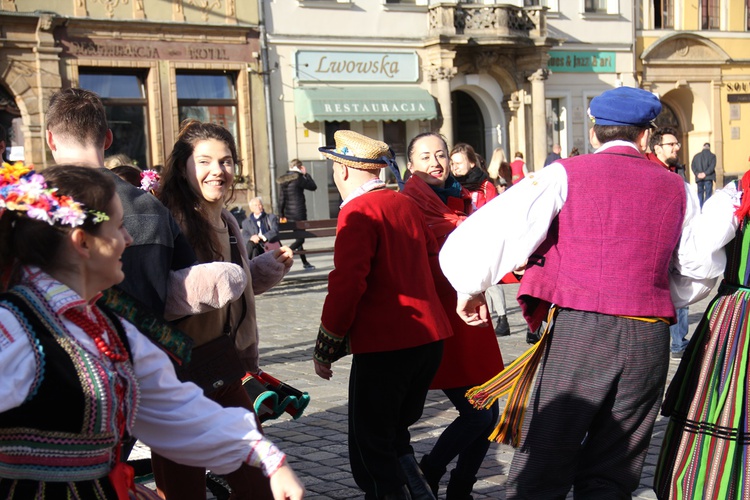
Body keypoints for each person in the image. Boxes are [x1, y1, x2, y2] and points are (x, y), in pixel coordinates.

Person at [438, 86, 719, 499]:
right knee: (614, 468)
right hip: (648, 336)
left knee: (546, 456)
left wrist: (470, 287)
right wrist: (654, 293)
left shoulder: (564, 173)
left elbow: (494, 231)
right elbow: (699, 269)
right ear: (646, 136)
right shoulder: (678, 188)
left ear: (594, 134)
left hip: (581, 332)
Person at [0, 163, 304, 500]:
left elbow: (178, 409)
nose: (129, 239)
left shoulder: (111, 329)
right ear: (82, 242)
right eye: (118, 227)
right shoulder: (16, 330)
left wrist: (269, 460)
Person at [154, 120, 294, 500]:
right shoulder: (168, 220)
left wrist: (263, 270)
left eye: (227, 161)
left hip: (223, 367)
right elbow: (154, 297)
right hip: (177, 378)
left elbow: (233, 287)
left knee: (259, 484)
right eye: (205, 161)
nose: (218, 170)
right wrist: (207, 284)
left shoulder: (228, 219)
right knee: (184, 490)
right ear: (183, 166)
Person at [312, 130, 451, 500]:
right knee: (395, 438)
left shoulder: (357, 211)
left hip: (387, 346)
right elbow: (436, 264)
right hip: (427, 340)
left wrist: (326, 346)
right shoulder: (404, 203)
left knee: (370, 452)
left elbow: (347, 285)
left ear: (342, 170)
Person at [402, 132, 504, 498]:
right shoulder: (409, 204)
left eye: (441, 155)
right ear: (410, 165)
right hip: (443, 321)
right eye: (426, 156)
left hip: (470, 318)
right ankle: (430, 469)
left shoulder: (457, 198)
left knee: (489, 412)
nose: (435, 162)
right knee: (478, 412)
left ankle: (461, 486)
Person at [654, 172, 750, 500]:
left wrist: (674, 296)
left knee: (727, 400)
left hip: (741, 314)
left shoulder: (736, 195)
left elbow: (697, 256)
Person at [647, 127, 690, 359]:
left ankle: (677, 340)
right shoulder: (651, 170)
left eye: (677, 144)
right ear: (657, 148)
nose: (676, 148)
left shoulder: (674, 170)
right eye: (671, 144)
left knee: (680, 290)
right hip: (658, 243)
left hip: (677, 239)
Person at [277, 159, 317, 270]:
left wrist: (281, 214)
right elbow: (313, 187)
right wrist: (306, 174)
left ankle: (305, 263)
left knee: (299, 238)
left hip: (289, 215)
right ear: (299, 167)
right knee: (301, 239)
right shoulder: (298, 178)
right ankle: (283, 256)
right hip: (299, 214)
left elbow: (281, 199)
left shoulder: (284, 179)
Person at [449, 143, 497, 209]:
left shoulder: (486, 187)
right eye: (452, 164)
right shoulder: (449, 186)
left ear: (471, 163)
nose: (455, 167)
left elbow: (494, 211)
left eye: (458, 163)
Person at [692, 142, 717, 207]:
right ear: (709, 147)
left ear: (703, 147)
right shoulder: (712, 156)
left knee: (700, 193)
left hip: (699, 178)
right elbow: (712, 167)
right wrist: (705, 173)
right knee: (708, 194)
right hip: (708, 177)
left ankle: (700, 207)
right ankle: (707, 207)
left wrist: (697, 173)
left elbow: (693, 166)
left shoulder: (696, 156)